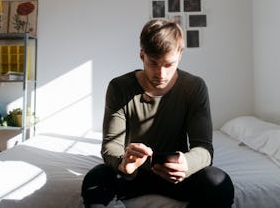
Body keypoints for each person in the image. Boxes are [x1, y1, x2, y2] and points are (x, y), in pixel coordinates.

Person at [81, 19, 234, 208]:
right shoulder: (119, 87)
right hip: (133, 175)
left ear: (180, 54)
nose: (161, 74)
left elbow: (204, 149)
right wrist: (123, 163)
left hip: (177, 177)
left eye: (169, 64)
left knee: (219, 182)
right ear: (141, 55)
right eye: (153, 63)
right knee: (95, 179)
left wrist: (186, 164)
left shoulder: (194, 87)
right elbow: (111, 145)